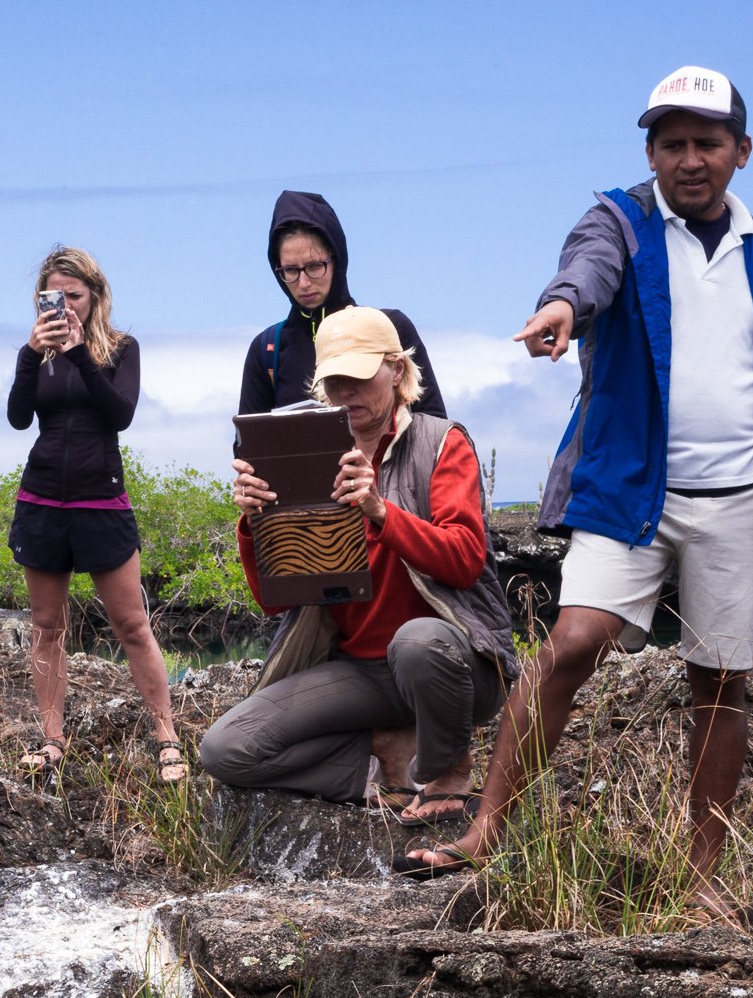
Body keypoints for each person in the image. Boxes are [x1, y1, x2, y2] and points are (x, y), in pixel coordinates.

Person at [400, 66, 753, 912]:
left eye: (707, 142)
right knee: (572, 642)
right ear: (650, 151)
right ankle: (486, 827)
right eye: (671, 143)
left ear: (742, 152)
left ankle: (700, 877)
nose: (690, 159)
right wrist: (563, 306)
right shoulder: (621, 222)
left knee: (719, 680)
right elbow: (586, 269)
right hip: (630, 487)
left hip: (741, 497)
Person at [200, 306, 517, 818]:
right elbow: (276, 602)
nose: (347, 393)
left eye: (360, 377)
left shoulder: (442, 443)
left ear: (396, 370)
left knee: (418, 641)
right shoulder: (309, 457)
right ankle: (385, 755)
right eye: (336, 381)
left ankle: (447, 771)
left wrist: (380, 511)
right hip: (362, 673)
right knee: (225, 748)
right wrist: (255, 523)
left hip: (453, 666)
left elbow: (463, 561)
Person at [4, 246, 184, 783]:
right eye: (54, 299)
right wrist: (31, 356)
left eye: (74, 297)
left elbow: (119, 415)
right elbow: (18, 418)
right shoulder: (36, 353)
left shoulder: (122, 349)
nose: (65, 309)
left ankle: (166, 735)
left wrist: (80, 352)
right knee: (46, 626)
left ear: (96, 296)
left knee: (131, 624)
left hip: (100, 499)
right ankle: (51, 738)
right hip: (41, 499)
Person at [239, 191, 447, 420]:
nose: (304, 283)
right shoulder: (267, 350)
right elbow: (247, 446)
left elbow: (436, 433)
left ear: (336, 260)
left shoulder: (391, 329)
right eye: (290, 270)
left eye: (315, 266)